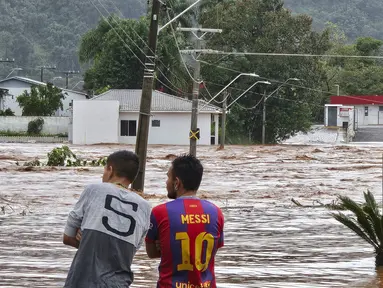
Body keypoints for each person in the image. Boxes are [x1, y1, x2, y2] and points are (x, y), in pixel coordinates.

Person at [63, 150, 151, 287]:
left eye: (104, 169)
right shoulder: (145, 207)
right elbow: (129, 252)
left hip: (83, 281)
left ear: (110, 170)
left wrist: (87, 239)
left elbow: (67, 237)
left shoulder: (93, 190)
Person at [145, 154, 224, 288]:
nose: (166, 182)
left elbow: (151, 253)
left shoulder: (160, 212)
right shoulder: (216, 212)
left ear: (177, 183)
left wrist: (167, 245)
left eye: (168, 177)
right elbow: (211, 251)